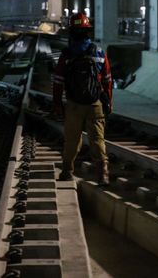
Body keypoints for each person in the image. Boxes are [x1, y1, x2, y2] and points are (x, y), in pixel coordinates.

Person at [52, 12, 112, 185]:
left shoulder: (67, 54)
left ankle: (67, 172)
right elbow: (107, 79)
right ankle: (103, 174)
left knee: (72, 140)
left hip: (74, 105)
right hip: (95, 104)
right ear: (88, 31)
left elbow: (58, 82)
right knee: (97, 139)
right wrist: (108, 101)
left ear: (71, 31)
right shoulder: (99, 52)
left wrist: (57, 104)